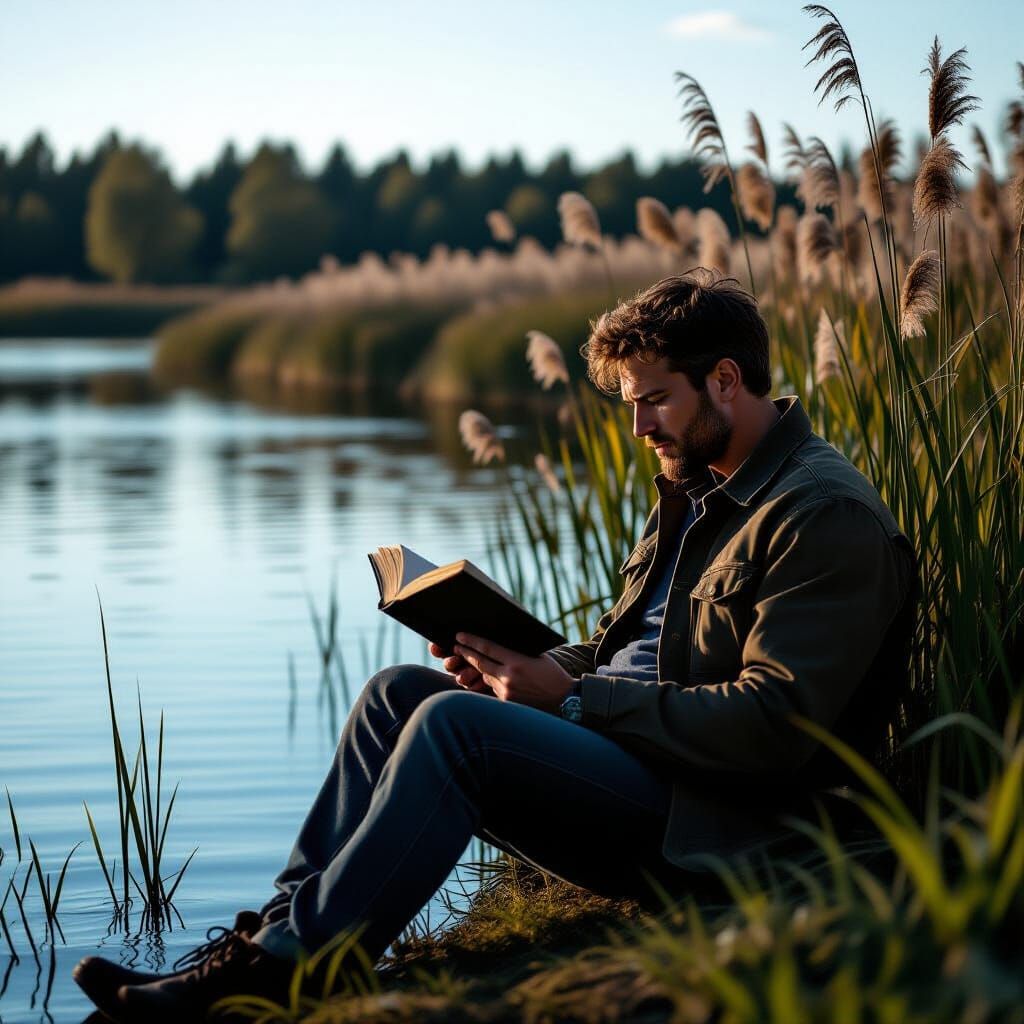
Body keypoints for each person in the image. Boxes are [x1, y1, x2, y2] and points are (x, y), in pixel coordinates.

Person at [73, 269, 916, 1022]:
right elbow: (641, 652)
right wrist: (525, 667)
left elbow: (776, 727)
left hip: (722, 828)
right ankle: (274, 942)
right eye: (628, 404)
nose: (637, 428)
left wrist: (575, 700)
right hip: (645, 766)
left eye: (653, 399)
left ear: (726, 380)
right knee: (396, 697)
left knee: (456, 732)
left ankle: (293, 977)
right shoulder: (698, 491)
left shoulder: (821, 515)